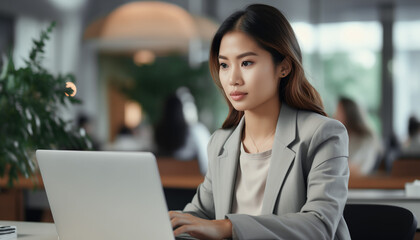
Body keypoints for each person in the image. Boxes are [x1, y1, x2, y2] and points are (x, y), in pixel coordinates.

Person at [169, 4, 350, 240]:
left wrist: (228, 227)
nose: (232, 79)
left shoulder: (323, 134)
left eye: (246, 63)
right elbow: (198, 217)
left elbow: (318, 226)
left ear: (283, 67)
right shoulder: (221, 143)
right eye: (224, 65)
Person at [155, 91, 210, 175]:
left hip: (165, 181)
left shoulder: (157, 132)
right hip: (193, 182)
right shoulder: (195, 131)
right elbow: (206, 163)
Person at [334, 96, 382, 175]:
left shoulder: (366, 139)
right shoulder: (340, 137)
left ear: (349, 114)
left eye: (339, 112)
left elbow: (356, 169)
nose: (334, 116)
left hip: (359, 184)